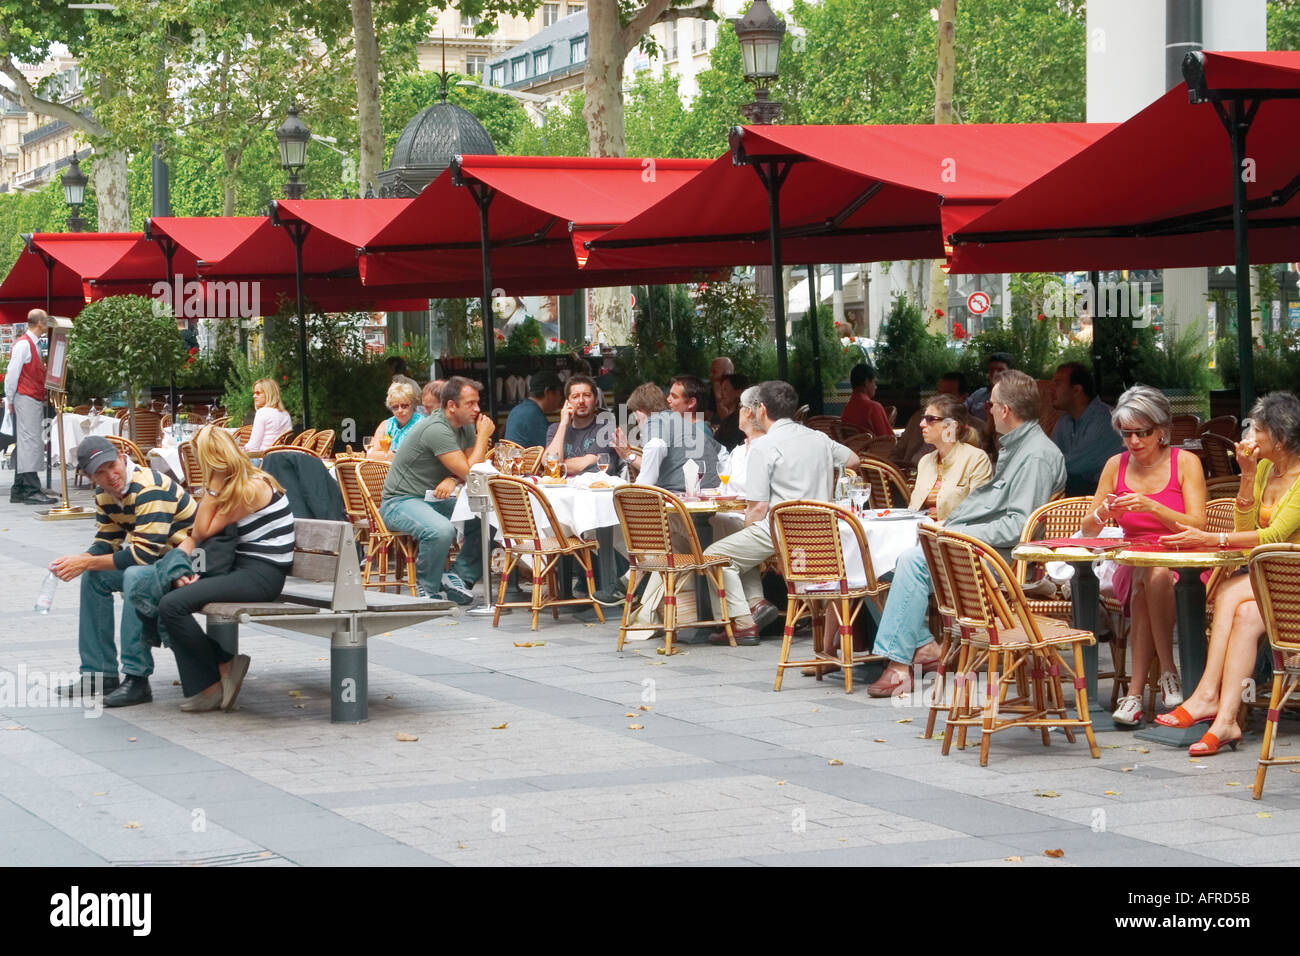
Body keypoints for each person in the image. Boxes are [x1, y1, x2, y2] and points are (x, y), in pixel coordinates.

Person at [866, 370, 1066, 697]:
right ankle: (918, 651)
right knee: (895, 563)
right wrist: (952, 530)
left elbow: (1019, 525)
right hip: (989, 549)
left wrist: (957, 533)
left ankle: (900, 666)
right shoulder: (1019, 447)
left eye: (992, 404)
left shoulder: (1035, 455)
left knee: (914, 561)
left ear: (1005, 410)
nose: (987, 410)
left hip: (1007, 560)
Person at [1154, 392, 1300, 755]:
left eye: (1257, 429)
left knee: (1229, 593)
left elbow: (1273, 536)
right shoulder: (1267, 467)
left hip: (1293, 582)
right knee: (1246, 616)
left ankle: (1205, 695)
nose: (1248, 434)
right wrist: (1248, 477)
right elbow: (1246, 526)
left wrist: (1210, 537)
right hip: (1272, 583)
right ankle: (1226, 721)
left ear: (1279, 439)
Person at [1077, 385, 1206, 727]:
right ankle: (1168, 672)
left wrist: (1153, 507)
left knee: (1152, 575)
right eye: (1127, 434)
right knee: (1145, 572)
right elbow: (1088, 529)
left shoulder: (1185, 463)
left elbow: (1198, 523)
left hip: (1184, 560)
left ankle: (1134, 694)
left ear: (1162, 430)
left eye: (1142, 433)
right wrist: (1104, 511)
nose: (1134, 442)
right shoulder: (1115, 465)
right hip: (1133, 559)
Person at [703, 381, 859, 645]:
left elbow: (758, 507)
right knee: (738, 546)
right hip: (822, 531)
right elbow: (853, 459)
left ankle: (742, 623)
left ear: (761, 409)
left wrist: (750, 536)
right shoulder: (818, 438)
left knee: (715, 556)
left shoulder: (763, 447)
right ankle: (753, 607)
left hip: (782, 530)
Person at [49, 436, 197, 706]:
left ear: (120, 455)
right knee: (95, 576)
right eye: (99, 472)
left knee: (134, 577)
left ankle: (137, 679)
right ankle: (98, 673)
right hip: (160, 562)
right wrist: (79, 560)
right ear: (89, 476)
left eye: (111, 465)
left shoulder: (149, 486)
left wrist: (86, 562)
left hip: (192, 564)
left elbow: (142, 555)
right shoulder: (104, 494)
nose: (110, 475)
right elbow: (108, 541)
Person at [156, 426, 295, 712]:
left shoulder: (252, 487)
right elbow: (201, 533)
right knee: (164, 592)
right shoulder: (241, 483)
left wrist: (214, 483)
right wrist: (189, 569)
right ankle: (215, 674)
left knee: (172, 605)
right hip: (243, 569)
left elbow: (202, 528)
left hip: (262, 575)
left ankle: (216, 677)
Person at [379, 376, 493, 604]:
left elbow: (471, 471)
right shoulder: (437, 429)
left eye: (477, 402)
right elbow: (472, 472)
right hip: (399, 501)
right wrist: (483, 437)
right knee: (441, 531)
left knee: (487, 518)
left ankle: (458, 577)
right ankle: (428, 588)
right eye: (470, 403)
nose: (477, 409)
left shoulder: (466, 426)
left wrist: (453, 478)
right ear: (451, 406)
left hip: (431, 499)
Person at [636, 375, 726, 494]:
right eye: (669, 395)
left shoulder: (698, 429)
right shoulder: (688, 427)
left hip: (682, 499)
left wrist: (639, 489)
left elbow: (655, 446)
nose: (668, 400)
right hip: (701, 498)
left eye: (674, 396)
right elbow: (723, 454)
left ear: (691, 403)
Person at [908, 394, 993, 520]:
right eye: (923, 418)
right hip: (920, 533)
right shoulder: (925, 461)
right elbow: (912, 511)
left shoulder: (976, 459)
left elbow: (978, 513)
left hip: (952, 536)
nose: (922, 424)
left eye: (930, 419)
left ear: (950, 426)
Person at [5, 309, 55, 504]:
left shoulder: (29, 344)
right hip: (25, 397)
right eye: (46, 320)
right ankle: (31, 490)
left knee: (27, 442)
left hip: (27, 397)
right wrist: (10, 399)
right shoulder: (25, 344)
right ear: (40, 323)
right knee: (30, 442)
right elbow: (11, 374)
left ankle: (19, 489)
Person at [1051, 362, 1122, 496]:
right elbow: (1052, 456)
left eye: (1058, 383)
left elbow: (1074, 465)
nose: (1051, 389)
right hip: (1079, 489)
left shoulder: (1105, 420)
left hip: (1108, 496)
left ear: (1077, 390)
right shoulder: (1065, 420)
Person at [544, 375, 618, 476]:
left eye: (587, 395)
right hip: (560, 488)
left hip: (594, 489)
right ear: (567, 402)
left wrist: (557, 465)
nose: (581, 401)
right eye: (575, 396)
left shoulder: (606, 429)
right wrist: (563, 424)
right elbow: (548, 462)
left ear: (596, 399)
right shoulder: (555, 429)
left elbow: (584, 464)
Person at [893, 372, 966, 469]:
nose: (940, 399)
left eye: (947, 394)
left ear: (963, 398)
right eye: (939, 393)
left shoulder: (973, 428)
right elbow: (897, 451)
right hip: (906, 476)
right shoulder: (918, 418)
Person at [616, 382, 668, 480]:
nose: (635, 418)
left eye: (635, 412)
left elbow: (652, 472)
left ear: (640, 411)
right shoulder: (670, 423)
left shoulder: (656, 431)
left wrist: (629, 455)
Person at [367, 380, 425, 461]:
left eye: (404, 406)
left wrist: (385, 456)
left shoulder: (422, 423)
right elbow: (371, 455)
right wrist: (397, 455)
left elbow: (416, 456)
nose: (400, 410)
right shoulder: (385, 425)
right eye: (395, 407)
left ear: (413, 404)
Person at [504, 371, 563, 449]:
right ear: (548, 392)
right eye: (560, 393)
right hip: (526, 460)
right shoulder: (533, 414)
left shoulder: (518, 409)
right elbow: (551, 450)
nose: (561, 398)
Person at [243, 378, 293, 454]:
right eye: (254, 393)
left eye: (258, 393)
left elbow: (253, 447)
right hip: (279, 458)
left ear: (268, 394)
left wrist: (238, 451)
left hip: (261, 460)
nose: (254, 396)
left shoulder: (262, 413)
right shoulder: (285, 414)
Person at [841, 363, 892, 437]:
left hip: (853, 448)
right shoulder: (873, 407)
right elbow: (888, 439)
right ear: (866, 382)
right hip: (876, 448)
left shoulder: (846, 410)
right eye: (874, 382)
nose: (876, 387)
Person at [965, 352, 1013, 424]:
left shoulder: (1016, 399)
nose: (995, 374)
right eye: (991, 370)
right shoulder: (978, 394)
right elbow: (960, 411)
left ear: (1010, 373)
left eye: (1000, 370)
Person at [712, 373, 749, 451]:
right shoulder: (728, 420)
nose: (721, 394)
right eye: (721, 390)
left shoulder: (742, 420)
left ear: (739, 392)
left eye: (725, 389)